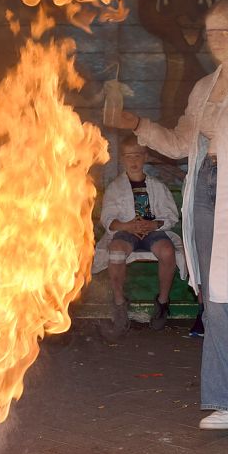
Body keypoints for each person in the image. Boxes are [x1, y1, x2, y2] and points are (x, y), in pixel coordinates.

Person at [112, 0, 228, 430]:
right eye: (210, 32)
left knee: (225, 299)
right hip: (203, 194)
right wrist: (137, 123)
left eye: (224, 31)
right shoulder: (203, 87)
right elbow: (179, 144)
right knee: (211, 297)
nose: (214, 39)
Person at [93, 134, 185, 335]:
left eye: (137, 155)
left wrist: (154, 224)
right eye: (128, 156)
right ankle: (119, 303)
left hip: (153, 232)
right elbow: (108, 218)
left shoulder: (157, 187)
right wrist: (127, 226)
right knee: (116, 251)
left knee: (168, 251)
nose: (133, 161)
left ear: (144, 157)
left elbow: (171, 216)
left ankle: (162, 302)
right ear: (122, 159)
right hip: (127, 233)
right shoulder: (115, 188)